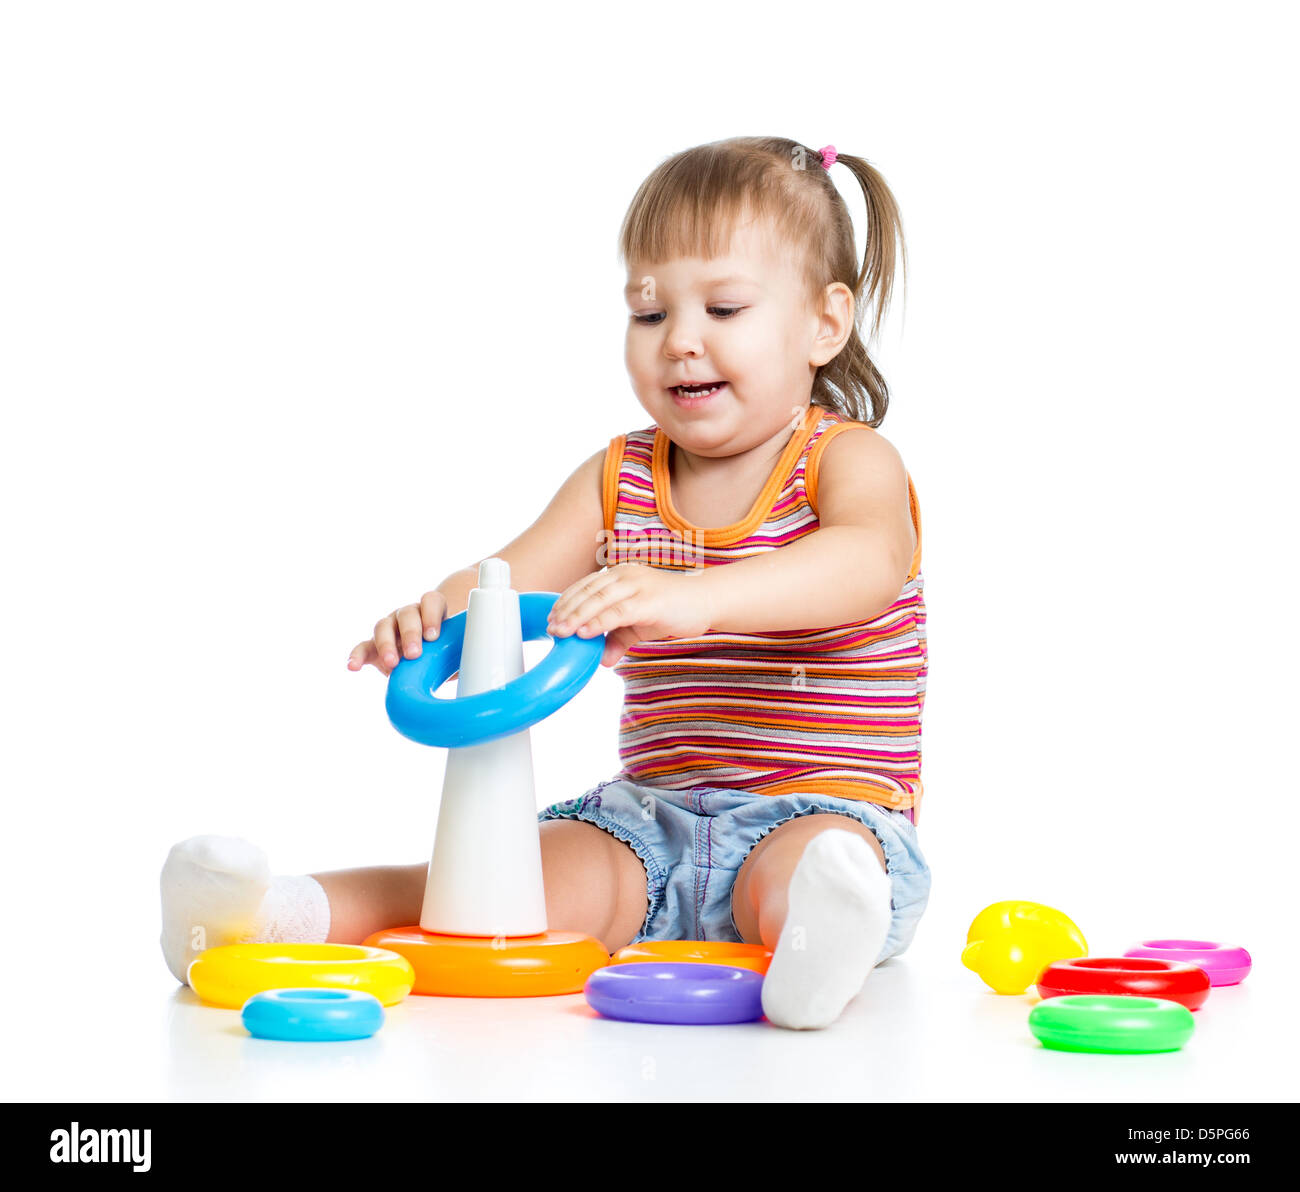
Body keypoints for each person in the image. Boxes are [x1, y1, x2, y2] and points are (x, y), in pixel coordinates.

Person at [161, 136, 930, 1030]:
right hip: (649, 823)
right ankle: (257, 917)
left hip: (826, 807)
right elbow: (506, 580)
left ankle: (811, 951)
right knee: (484, 882)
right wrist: (432, 620)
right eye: (649, 313)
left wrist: (693, 599)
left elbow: (866, 565)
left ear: (823, 324)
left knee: (811, 866)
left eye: (723, 307)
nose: (680, 340)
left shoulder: (847, 460)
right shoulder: (618, 478)